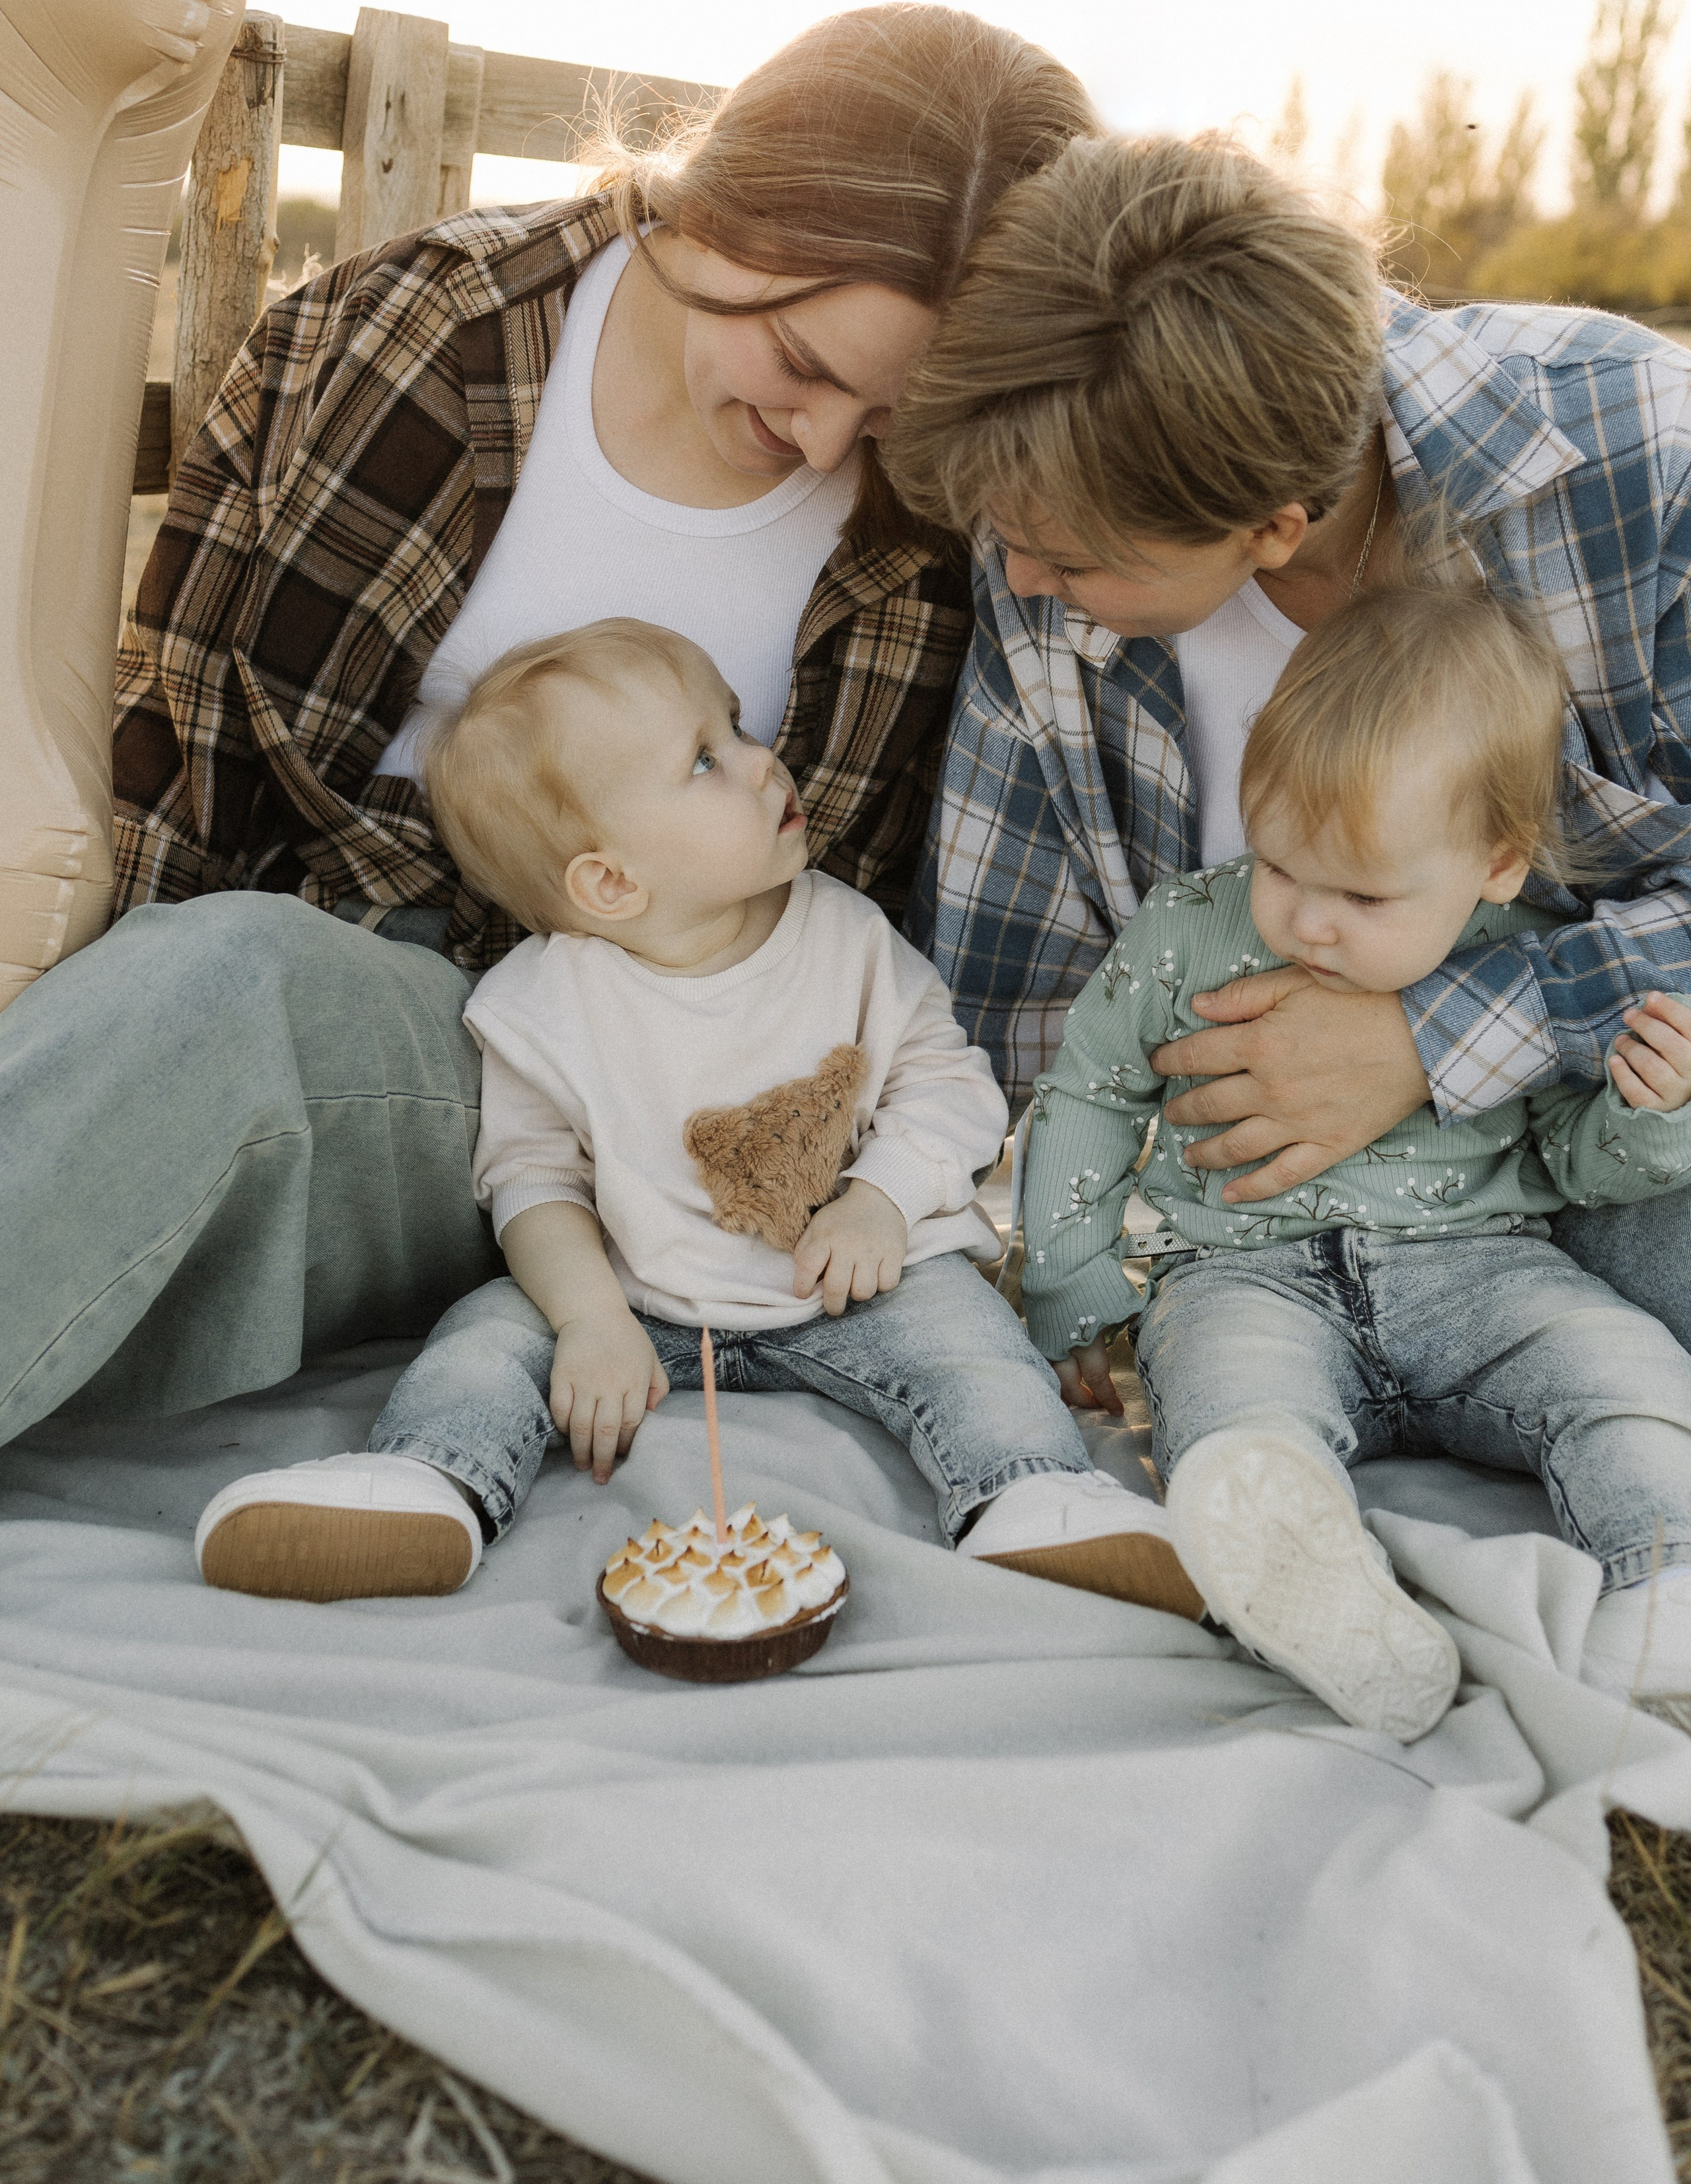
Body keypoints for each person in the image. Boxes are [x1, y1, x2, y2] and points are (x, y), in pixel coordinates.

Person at [0, 5, 1099, 1454]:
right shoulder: (408, 336)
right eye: (806, 364)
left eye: (893, 415)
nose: (832, 448)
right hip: (422, 1066)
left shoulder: (944, 514)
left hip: (731, 1147)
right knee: (214, 982)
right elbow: (178, 771)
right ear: (720, 213)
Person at [882, 128, 1691, 1391]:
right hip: (1242, 1253)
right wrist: (1008, 1254)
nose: (1024, 579)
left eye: (1075, 562)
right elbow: (1005, 989)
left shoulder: (1642, 469)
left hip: (1578, 1151)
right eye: (1011, 540)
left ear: (1273, 528)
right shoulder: (1041, 524)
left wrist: (1436, 1035)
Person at [195, 623, 1167, 1601]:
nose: (759, 762)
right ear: (611, 882)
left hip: (856, 1287)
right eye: (706, 760)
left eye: (737, 728)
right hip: (638, 1295)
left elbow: (952, 1086)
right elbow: (532, 1183)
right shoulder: (543, 1006)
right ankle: (428, 1477)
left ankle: (1029, 1496)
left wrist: (881, 1200)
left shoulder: (849, 936)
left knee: (975, 1351)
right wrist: (588, 1320)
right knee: (485, 1339)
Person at [1017, 585, 1691, 1736]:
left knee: (1622, 1373)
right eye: (1279, 864)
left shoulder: (1520, 960)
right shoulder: (1185, 929)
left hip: (1485, 1269)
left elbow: (1573, 1165)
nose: (1307, 922)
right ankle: (1318, 1588)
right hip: (1240, 1275)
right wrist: (1071, 1287)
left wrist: (1651, 1112)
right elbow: (1087, 1091)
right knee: (1233, 1413)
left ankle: (1663, 1581)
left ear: (1495, 863)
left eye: (1363, 894)